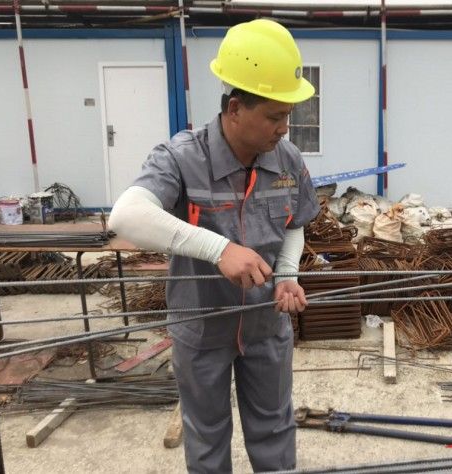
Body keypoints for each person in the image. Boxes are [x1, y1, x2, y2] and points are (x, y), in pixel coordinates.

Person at [108, 19, 320, 473]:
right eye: (275, 116)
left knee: (275, 430)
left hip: (266, 324)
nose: (284, 128)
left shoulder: (287, 160)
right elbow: (126, 215)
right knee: (206, 437)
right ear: (235, 108)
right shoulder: (180, 158)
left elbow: (295, 222)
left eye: (288, 115)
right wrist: (219, 250)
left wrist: (287, 274)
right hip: (202, 329)